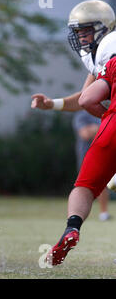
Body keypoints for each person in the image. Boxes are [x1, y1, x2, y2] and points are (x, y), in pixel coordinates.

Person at [46, 55, 116, 265]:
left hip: (111, 127)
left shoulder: (112, 62)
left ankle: (72, 228)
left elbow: (86, 99)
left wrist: (109, 117)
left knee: (84, 187)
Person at [73, 110, 111, 221]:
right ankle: (76, 217)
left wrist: (96, 128)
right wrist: (107, 128)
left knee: (103, 184)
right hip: (87, 156)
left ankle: (104, 213)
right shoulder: (81, 115)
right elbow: (85, 134)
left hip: (106, 153)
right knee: (84, 187)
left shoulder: (107, 112)